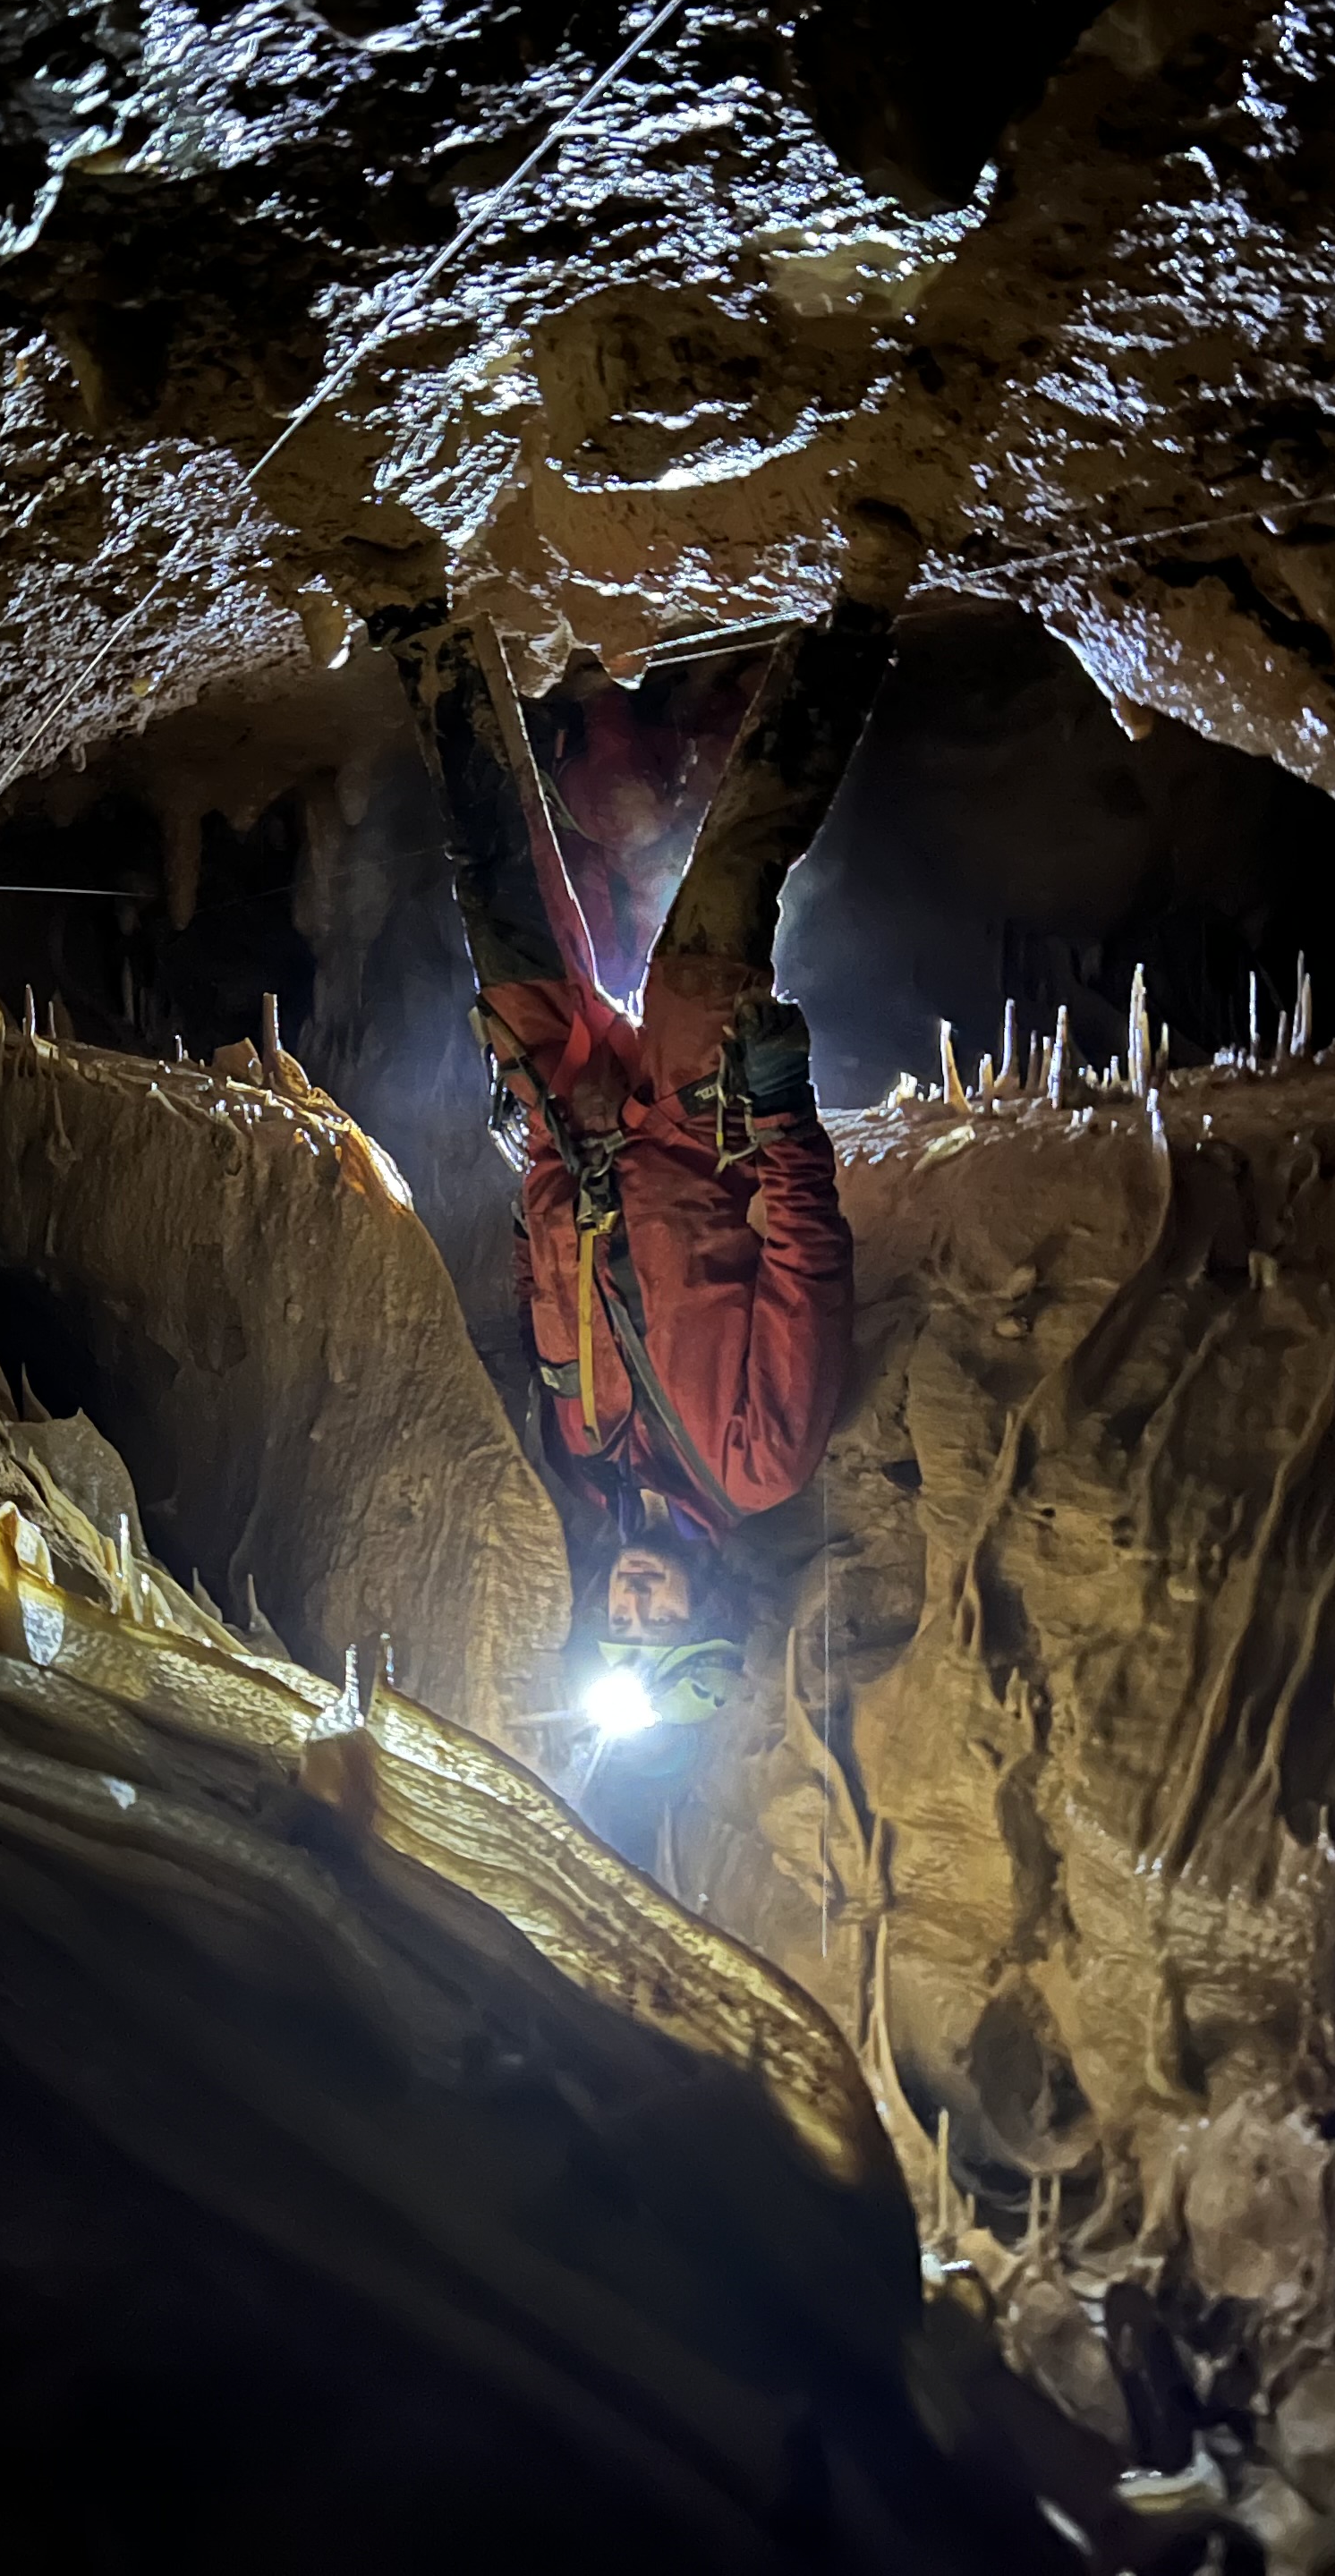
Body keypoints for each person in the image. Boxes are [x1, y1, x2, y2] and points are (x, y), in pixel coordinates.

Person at [393, 514, 916, 1862]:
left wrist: (537, 1156)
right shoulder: (755, 1463)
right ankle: (860, 614)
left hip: (576, 1134)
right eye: (655, 1620)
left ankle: (434, 646)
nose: (629, 1602)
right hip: (693, 1124)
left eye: (614, 1621)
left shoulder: (580, 1470)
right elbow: (806, 1262)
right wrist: (782, 1103)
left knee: (500, 912)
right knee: (728, 889)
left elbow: (551, 1299)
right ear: (704, 1608)